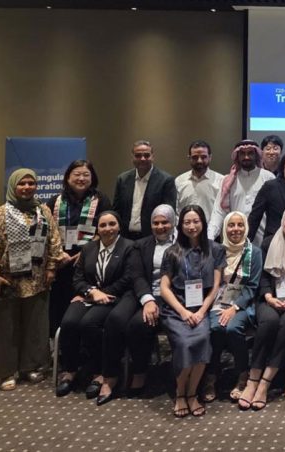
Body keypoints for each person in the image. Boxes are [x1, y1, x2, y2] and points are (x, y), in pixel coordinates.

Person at [0, 168, 61, 391]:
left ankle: (30, 366)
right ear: (13, 186)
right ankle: (5, 371)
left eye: (31, 183)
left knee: (34, 324)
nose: (27, 188)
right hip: (6, 279)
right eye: (22, 184)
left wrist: (52, 266)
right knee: (4, 326)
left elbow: (54, 239)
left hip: (36, 278)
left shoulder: (43, 211)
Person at [56, 211, 142, 406]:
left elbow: (129, 278)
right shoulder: (88, 248)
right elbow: (77, 278)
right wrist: (91, 292)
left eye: (112, 224)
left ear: (119, 226)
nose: (107, 229)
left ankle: (99, 371)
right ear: (97, 228)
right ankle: (70, 370)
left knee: (89, 324)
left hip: (114, 298)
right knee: (68, 323)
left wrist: (102, 293)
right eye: (103, 225)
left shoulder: (129, 247)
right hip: (89, 296)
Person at [240, 205, 285, 411]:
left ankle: (265, 382)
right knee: (269, 322)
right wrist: (269, 297)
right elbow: (261, 275)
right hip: (269, 297)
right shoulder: (269, 242)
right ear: (282, 220)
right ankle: (253, 379)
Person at [159, 205, 226, 418]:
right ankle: (180, 393)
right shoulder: (172, 252)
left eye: (196, 221)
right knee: (184, 344)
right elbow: (164, 287)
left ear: (203, 223)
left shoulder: (215, 250)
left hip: (201, 308)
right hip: (176, 309)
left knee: (203, 340)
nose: (191, 226)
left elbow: (215, 287)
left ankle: (192, 393)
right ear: (181, 225)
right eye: (187, 222)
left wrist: (201, 311)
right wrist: (183, 312)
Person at [46, 160, 112, 337]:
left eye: (86, 175)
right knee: (58, 305)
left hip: (88, 261)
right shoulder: (55, 201)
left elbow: (107, 230)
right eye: (77, 174)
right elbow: (47, 231)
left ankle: (84, 346)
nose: (81, 178)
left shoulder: (101, 200)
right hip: (61, 261)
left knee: (83, 305)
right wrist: (58, 254)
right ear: (68, 177)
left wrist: (84, 252)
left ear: (93, 178)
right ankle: (60, 347)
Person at [201, 211, 261, 403]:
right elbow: (209, 281)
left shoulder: (255, 252)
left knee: (234, 328)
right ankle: (211, 375)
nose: (236, 229)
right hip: (216, 302)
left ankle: (243, 374)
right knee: (215, 328)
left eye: (240, 225)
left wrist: (234, 307)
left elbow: (253, 286)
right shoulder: (215, 251)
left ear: (246, 227)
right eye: (231, 225)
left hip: (243, 303)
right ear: (225, 228)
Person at [124, 204, 177, 398]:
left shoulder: (185, 242)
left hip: (178, 297)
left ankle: (180, 374)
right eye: (156, 222)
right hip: (152, 296)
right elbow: (137, 276)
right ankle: (140, 372)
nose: (160, 226)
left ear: (173, 222)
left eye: (165, 222)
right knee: (137, 325)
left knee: (181, 327)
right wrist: (147, 301)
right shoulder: (141, 244)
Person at [208, 140, 275, 246]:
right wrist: (209, 238)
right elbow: (219, 212)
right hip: (235, 239)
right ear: (237, 156)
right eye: (242, 154)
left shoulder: (268, 178)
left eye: (250, 153)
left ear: (256, 155)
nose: (246, 157)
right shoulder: (228, 180)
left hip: (263, 240)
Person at [112, 140, 177, 240]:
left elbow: (168, 214)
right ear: (132, 157)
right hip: (125, 238)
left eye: (147, 155)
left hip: (152, 237)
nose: (142, 159)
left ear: (153, 157)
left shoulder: (166, 181)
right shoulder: (123, 179)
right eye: (138, 155)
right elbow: (117, 211)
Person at [174, 140, 225, 221]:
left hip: (211, 231)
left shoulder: (221, 181)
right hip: (184, 231)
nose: (199, 161)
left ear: (210, 157)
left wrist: (211, 233)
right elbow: (176, 210)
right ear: (189, 158)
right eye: (195, 157)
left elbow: (222, 211)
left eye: (203, 157)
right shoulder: (179, 181)